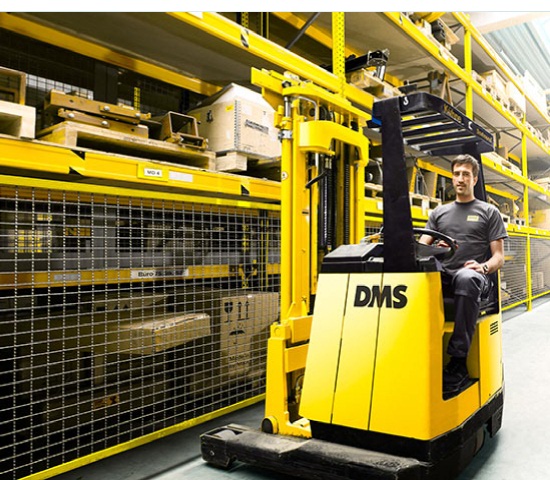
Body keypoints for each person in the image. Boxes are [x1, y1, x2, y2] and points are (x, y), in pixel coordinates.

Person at [419, 154, 507, 398]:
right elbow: (421, 247)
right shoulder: (439, 213)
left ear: (474, 179)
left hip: (475, 276)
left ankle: (458, 361)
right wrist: (432, 250)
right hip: (445, 274)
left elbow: (498, 257)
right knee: (414, 276)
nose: (460, 178)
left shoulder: (489, 212)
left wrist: (483, 267)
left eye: (466, 174)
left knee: (466, 278)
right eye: (456, 174)